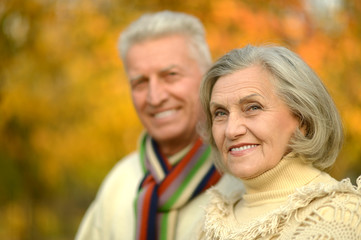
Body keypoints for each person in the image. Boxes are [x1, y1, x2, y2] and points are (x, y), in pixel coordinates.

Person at [75, 10, 242, 240]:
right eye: (140, 82)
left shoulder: (243, 177)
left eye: (171, 75)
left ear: (207, 77)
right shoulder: (119, 182)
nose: (155, 97)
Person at [198, 44, 361, 239]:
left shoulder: (340, 217)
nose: (231, 130)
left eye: (252, 108)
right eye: (220, 113)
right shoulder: (214, 220)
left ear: (302, 119)